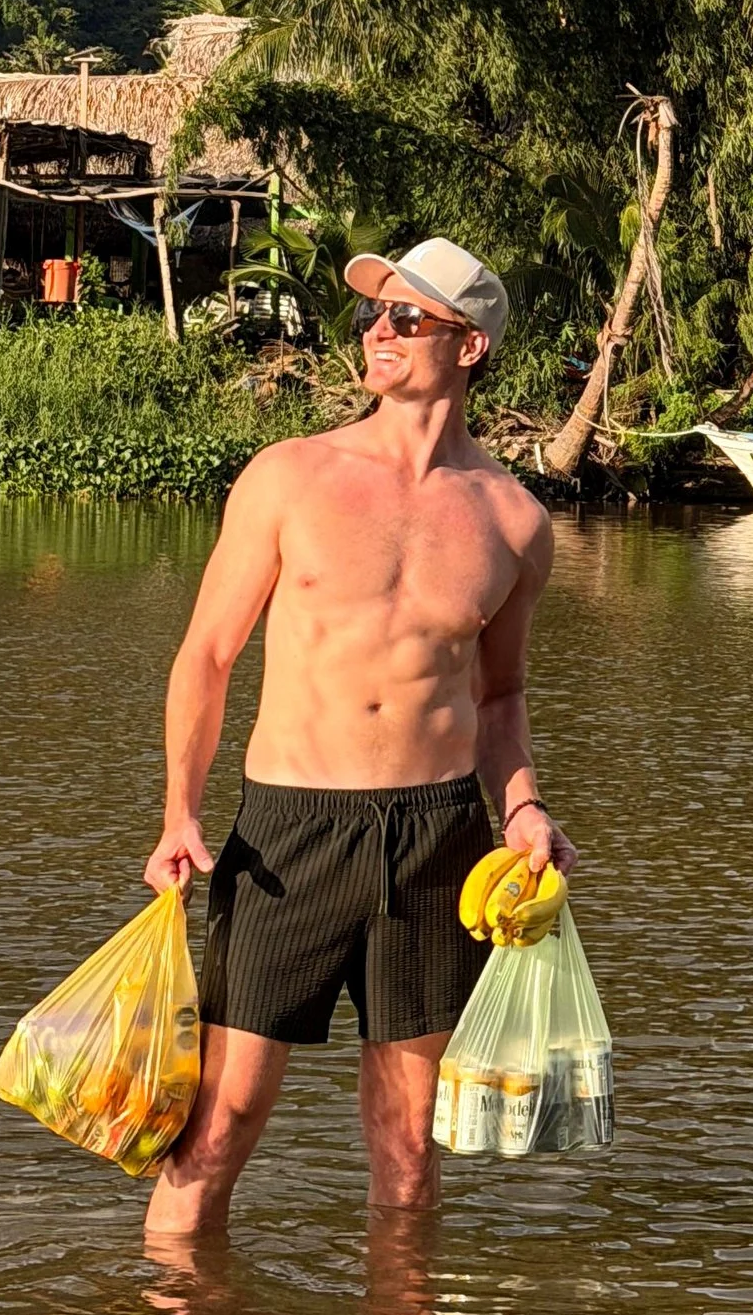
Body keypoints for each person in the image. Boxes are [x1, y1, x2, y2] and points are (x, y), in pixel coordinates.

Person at [138, 237, 567, 1243]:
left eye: (407, 318)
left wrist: (525, 810)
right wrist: (177, 816)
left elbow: (499, 699)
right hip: (291, 831)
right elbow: (206, 656)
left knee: (409, 1152)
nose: (378, 332)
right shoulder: (289, 478)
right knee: (220, 1122)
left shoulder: (513, 520)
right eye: (374, 317)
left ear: (469, 346)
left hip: (435, 840)